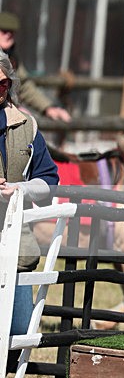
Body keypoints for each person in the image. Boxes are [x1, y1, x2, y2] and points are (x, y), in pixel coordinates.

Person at [0, 50, 59, 335]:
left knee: (19, 330)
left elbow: (49, 182)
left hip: (15, 248)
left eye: (3, 83)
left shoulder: (27, 126)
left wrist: (19, 190)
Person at [0, 11, 71, 122]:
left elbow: (23, 85)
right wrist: (12, 108)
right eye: (4, 31)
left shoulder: (12, 58)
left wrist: (48, 107)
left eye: (12, 32)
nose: (8, 35)